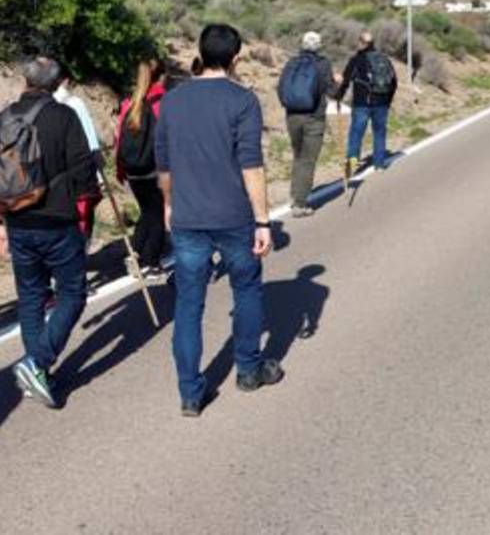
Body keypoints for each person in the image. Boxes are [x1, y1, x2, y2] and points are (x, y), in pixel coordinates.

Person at [156, 25, 284, 418]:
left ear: (200, 53)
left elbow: (163, 163)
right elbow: (251, 164)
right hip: (233, 216)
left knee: (189, 303)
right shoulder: (242, 101)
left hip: (188, 216)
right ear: (236, 57)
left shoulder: (173, 101)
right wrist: (263, 220)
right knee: (246, 289)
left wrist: (168, 203)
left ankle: (190, 393)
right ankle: (248, 369)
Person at [0, 57, 97, 409]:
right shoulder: (64, 117)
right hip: (57, 221)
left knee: (32, 297)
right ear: (56, 83)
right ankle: (37, 362)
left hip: (17, 220)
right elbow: (83, 175)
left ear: (25, 80)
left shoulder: (4, 117)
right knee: (73, 294)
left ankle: (40, 370)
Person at [114, 58, 168, 279]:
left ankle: (135, 251)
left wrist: (120, 169)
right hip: (154, 168)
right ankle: (152, 263)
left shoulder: (128, 102)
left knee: (147, 210)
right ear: (162, 76)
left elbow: (118, 139)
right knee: (157, 214)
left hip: (133, 169)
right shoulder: (162, 101)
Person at [280, 31, 338, 217]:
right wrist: (337, 83)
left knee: (298, 156)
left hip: (292, 116)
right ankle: (300, 203)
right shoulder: (323, 64)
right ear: (319, 46)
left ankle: (295, 194)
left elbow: (280, 88)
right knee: (308, 160)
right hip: (314, 117)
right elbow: (332, 92)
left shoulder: (291, 63)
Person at [336, 30, 398, 174]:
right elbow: (394, 82)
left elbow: (345, 81)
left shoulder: (356, 60)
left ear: (362, 43)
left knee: (356, 133)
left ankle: (352, 165)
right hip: (381, 103)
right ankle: (379, 164)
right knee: (379, 133)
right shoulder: (384, 59)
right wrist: (387, 101)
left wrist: (338, 96)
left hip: (361, 104)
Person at [53, 75, 104, 239]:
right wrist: (99, 173)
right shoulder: (75, 103)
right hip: (79, 173)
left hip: (53, 175)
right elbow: (90, 139)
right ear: (66, 80)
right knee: (82, 217)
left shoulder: (44, 105)